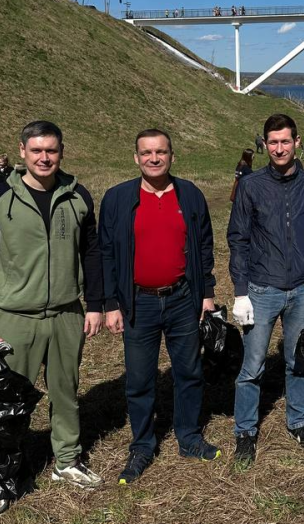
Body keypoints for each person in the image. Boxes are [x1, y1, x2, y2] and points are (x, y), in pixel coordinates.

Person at [0, 121, 104, 517]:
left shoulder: (78, 196)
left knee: (66, 391)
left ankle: (67, 460)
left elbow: (91, 254)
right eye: (37, 150)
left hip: (66, 313)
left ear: (62, 152)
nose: (45, 157)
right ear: (22, 151)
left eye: (52, 150)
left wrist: (93, 303)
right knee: (8, 400)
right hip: (14, 317)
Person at [100, 128, 220, 484]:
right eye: (147, 152)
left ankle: (189, 437)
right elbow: (105, 253)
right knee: (139, 379)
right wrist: (110, 303)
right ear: (136, 158)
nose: (154, 158)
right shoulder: (118, 198)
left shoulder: (191, 195)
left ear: (172, 156)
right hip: (138, 302)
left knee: (189, 372)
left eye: (161, 152)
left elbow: (204, 247)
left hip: (183, 298)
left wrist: (206, 293)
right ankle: (142, 445)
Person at [227, 113, 304, 466]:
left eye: (285, 141)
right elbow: (238, 239)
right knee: (252, 365)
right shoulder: (251, 186)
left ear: (297, 142)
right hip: (261, 289)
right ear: (264, 145)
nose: (279, 148)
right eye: (272, 142)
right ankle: (245, 430)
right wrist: (240, 291)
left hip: (303, 289)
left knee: (299, 360)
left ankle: (299, 422)